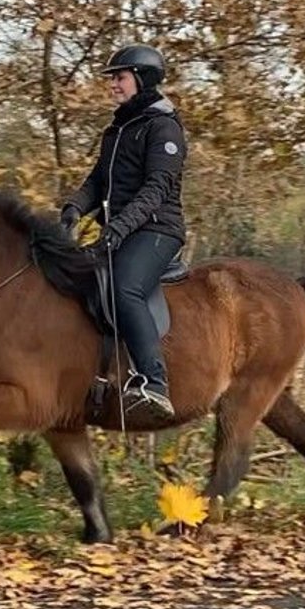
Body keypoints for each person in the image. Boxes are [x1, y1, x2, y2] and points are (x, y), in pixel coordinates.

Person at [59, 43, 187, 420]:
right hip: (122, 230)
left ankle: (153, 383)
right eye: (112, 78)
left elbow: (157, 188)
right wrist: (73, 209)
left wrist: (118, 227)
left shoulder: (164, 127)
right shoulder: (116, 131)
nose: (112, 84)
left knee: (123, 287)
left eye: (119, 77)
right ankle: (94, 376)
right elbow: (97, 182)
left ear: (142, 80)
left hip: (157, 230)